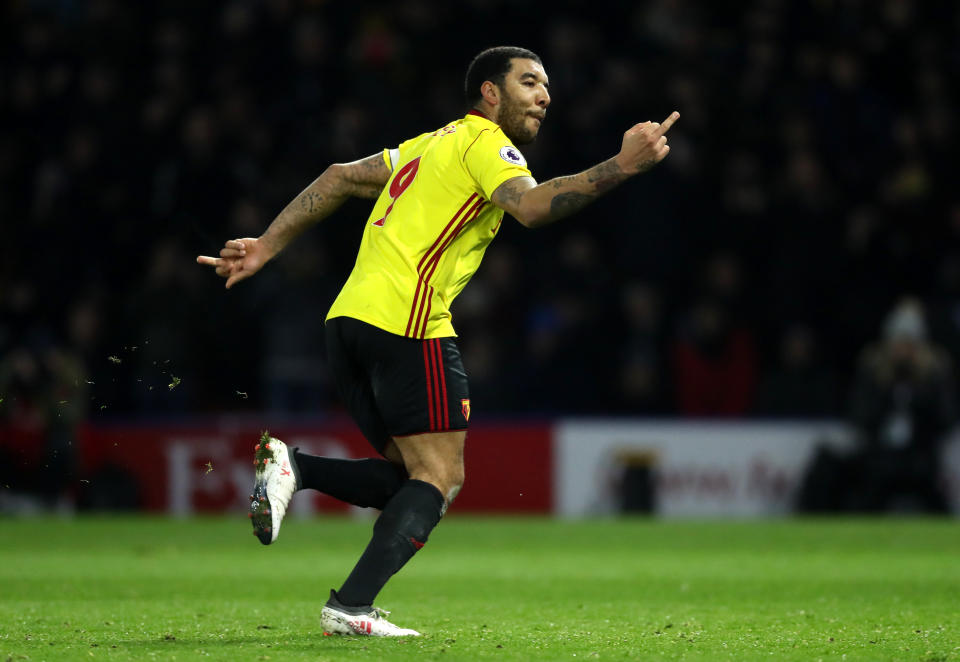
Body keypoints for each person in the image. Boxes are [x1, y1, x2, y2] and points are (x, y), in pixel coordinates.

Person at [198, 46, 678, 636]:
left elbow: (339, 178)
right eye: (530, 82)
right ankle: (349, 605)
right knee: (441, 477)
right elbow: (529, 207)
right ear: (490, 94)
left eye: (547, 86)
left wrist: (267, 245)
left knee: (410, 478)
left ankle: (295, 468)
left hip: (346, 324)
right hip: (410, 321)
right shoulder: (484, 145)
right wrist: (622, 166)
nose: (545, 96)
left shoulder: (427, 147)